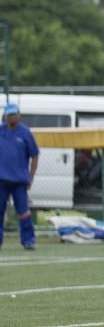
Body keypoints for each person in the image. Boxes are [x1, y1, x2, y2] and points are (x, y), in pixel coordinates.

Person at [0, 102, 39, 250]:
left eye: (14, 114)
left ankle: (28, 240)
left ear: (19, 115)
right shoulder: (1, 131)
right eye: (9, 115)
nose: (11, 118)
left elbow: (35, 155)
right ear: (5, 116)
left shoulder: (25, 133)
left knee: (23, 212)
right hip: (2, 180)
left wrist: (30, 177)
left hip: (19, 181)